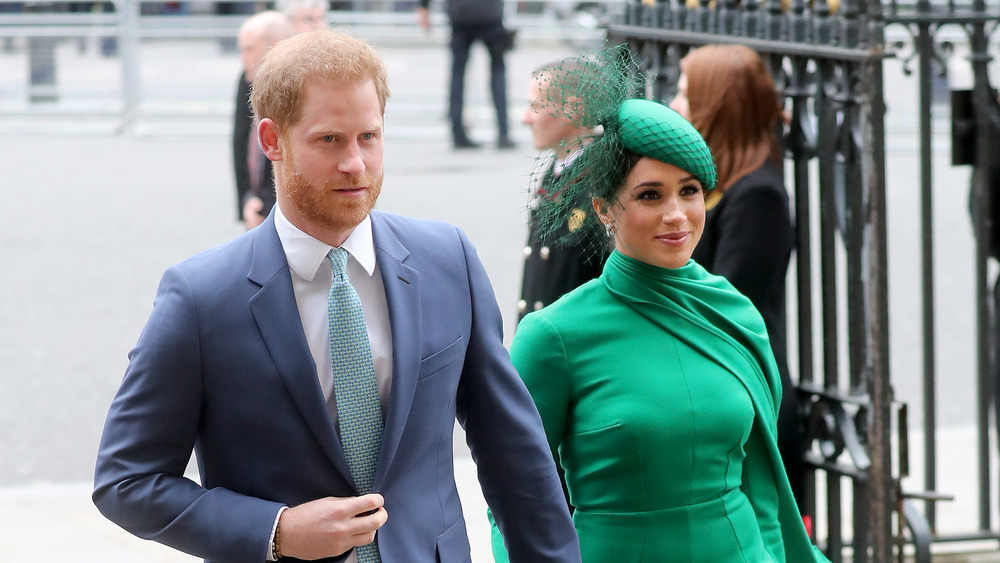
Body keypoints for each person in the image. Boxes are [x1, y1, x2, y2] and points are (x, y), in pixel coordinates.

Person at [94, 29, 581, 563]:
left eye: (369, 137)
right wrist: (273, 530)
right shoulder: (200, 297)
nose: (356, 163)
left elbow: (513, 451)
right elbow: (126, 479)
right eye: (330, 140)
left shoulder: (448, 260)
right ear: (272, 141)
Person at [491, 48, 827, 562]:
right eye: (650, 195)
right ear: (604, 208)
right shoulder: (555, 335)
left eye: (689, 191)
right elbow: (514, 497)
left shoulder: (734, 312)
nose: (677, 215)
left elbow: (763, 487)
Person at [669, 43, 809, 528]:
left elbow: (723, 304)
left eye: (686, 93)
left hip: (744, 397)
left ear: (717, 104)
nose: (674, 104)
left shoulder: (759, 195)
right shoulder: (714, 184)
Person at [517, 58, 607, 322]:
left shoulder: (598, 183)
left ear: (574, 110)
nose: (525, 119)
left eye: (535, 106)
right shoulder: (557, 171)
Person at [416, 0, 514, 150]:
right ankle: (503, 133)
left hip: (460, 13)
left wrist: (423, 7)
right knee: (497, 70)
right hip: (490, 13)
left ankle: (457, 133)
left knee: (457, 75)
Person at [232, 10, 294, 228]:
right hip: (258, 207)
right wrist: (246, 199)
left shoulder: (304, 87)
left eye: (249, 49)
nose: (242, 57)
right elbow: (240, 141)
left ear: (274, 47)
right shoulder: (247, 77)